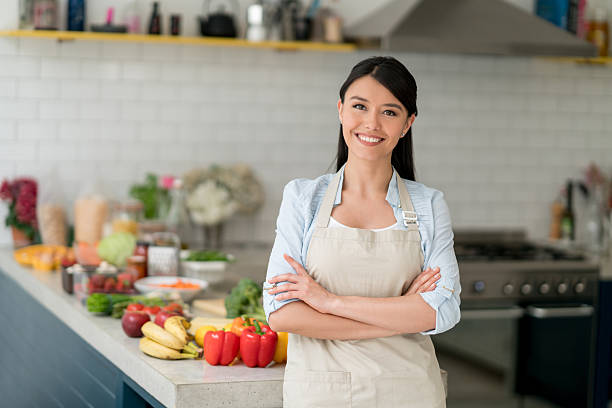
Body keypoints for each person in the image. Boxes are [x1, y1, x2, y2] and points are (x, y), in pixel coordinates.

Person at [263, 56, 461, 408]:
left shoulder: (429, 205)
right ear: (340, 110)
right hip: (321, 395)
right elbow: (282, 312)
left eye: (390, 112)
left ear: (407, 123)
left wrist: (329, 303)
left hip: (412, 393)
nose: (371, 123)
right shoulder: (303, 199)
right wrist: (401, 316)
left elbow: (440, 313)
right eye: (359, 106)